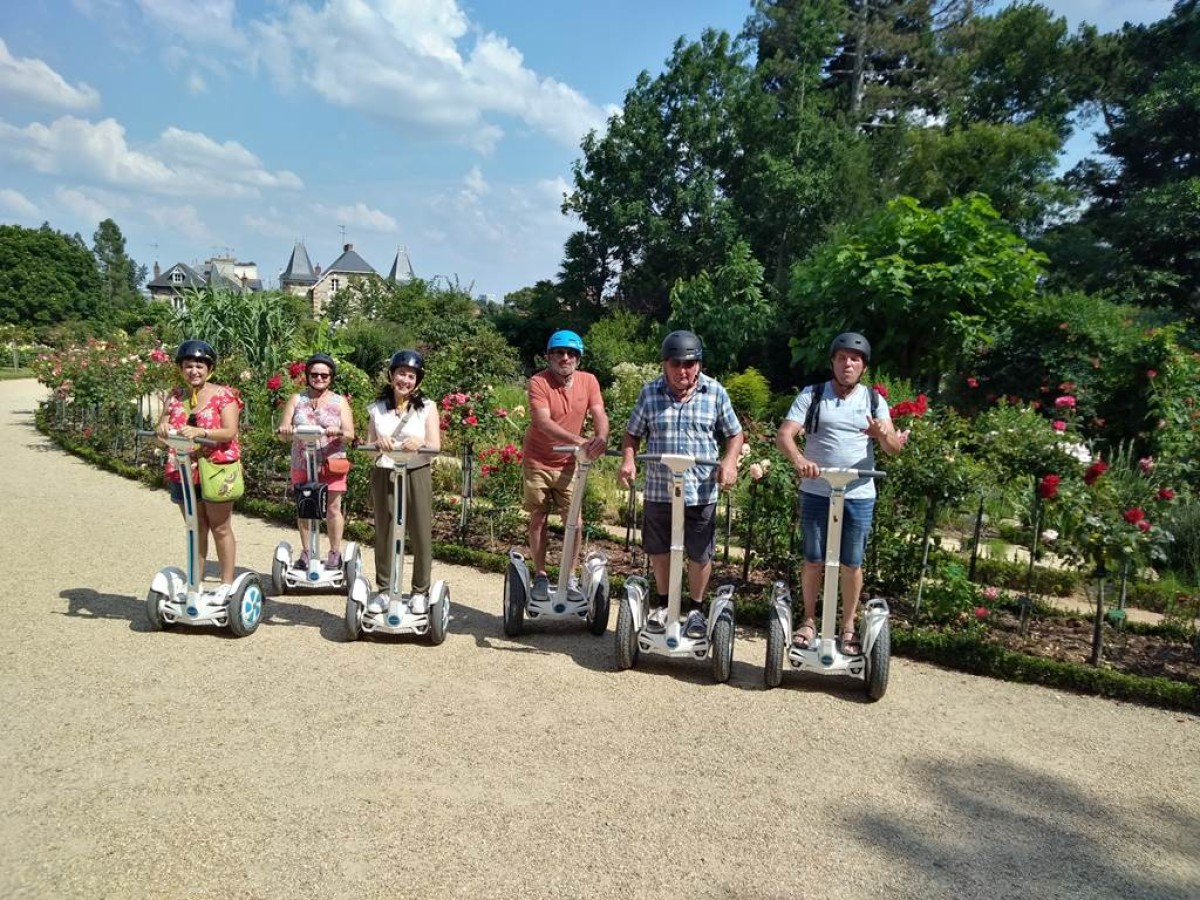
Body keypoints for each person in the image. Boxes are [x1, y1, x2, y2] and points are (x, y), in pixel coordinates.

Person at [775, 331, 906, 654]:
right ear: (833, 361)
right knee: (813, 559)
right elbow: (785, 435)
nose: (848, 364)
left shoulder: (874, 401)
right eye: (842, 357)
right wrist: (801, 460)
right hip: (817, 490)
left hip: (859, 494)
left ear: (863, 366)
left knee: (851, 562)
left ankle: (847, 626)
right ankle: (808, 620)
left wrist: (883, 436)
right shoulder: (813, 395)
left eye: (855, 359)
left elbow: (892, 449)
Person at [618, 330, 744, 638]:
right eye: (676, 364)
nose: (682, 371)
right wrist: (628, 460)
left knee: (699, 553)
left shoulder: (715, 392)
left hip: (700, 490)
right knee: (659, 548)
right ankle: (663, 604)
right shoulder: (649, 393)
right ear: (665, 364)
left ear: (698, 364)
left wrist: (729, 462)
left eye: (689, 364)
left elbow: (734, 433)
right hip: (660, 488)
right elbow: (632, 433)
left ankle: (697, 610)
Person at [521, 329, 609, 601]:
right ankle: (540, 574)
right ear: (550, 356)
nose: (565, 358)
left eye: (571, 353)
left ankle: (569, 575)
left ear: (578, 358)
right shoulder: (539, 382)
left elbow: (599, 413)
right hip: (538, 460)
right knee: (539, 518)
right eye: (559, 353)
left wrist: (601, 438)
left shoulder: (589, 381)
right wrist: (581, 440)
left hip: (570, 462)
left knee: (575, 522)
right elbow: (542, 422)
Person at [155, 339, 244, 601]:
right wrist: (161, 429)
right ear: (181, 369)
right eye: (188, 366)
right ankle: (196, 581)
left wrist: (202, 431)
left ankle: (227, 583)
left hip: (215, 469)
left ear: (209, 369)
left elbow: (229, 431)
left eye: (199, 366)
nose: (194, 371)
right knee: (195, 526)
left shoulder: (223, 395)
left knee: (220, 527)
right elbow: (163, 430)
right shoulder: (175, 396)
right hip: (182, 470)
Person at [365, 349, 440, 612]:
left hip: (416, 472)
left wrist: (420, 443)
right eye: (400, 374)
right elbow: (369, 448)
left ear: (417, 380)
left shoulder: (427, 408)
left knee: (419, 532)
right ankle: (385, 590)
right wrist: (378, 443)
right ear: (391, 375)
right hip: (385, 472)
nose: (405, 380)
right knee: (384, 531)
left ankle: (420, 591)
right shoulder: (376, 409)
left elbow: (435, 446)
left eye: (411, 376)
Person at [277, 353, 355, 569]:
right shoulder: (296, 399)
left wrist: (337, 432)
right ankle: (307, 552)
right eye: (314, 374)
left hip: (331, 461)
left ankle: (334, 553)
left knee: (332, 508)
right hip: (302, 461)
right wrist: (285, 429)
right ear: (307, 375)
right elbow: (284, 432)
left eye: (324, 375)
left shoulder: (339, 402)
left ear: (331, 377)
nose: (319, 378)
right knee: (305, 506)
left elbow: (349, 434)